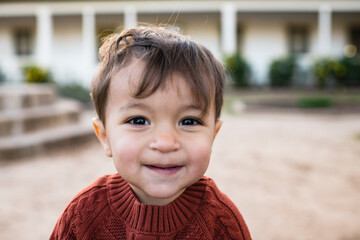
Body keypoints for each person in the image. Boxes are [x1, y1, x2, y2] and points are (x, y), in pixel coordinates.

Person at [50, 25, 252, 240]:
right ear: (104, 136)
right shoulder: (83, 215)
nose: (165, 143)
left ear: (213, 134)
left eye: (189, 121)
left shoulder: (221, 223)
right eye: (138, 120)